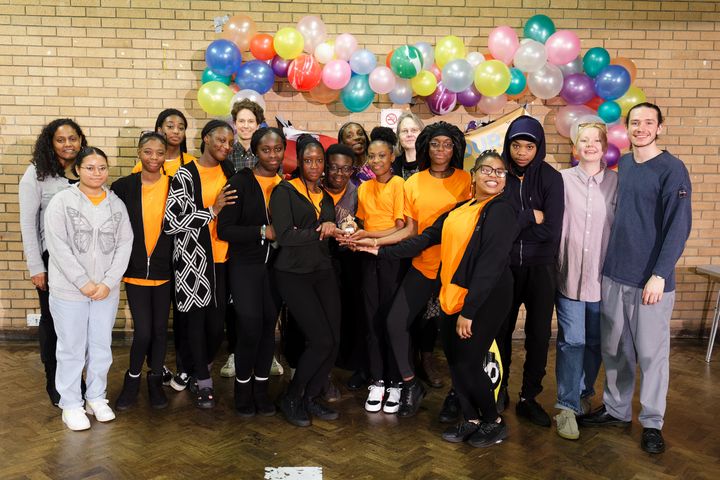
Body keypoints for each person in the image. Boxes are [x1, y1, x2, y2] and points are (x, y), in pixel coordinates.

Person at [359, 150, 518, 447]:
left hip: (485, 298)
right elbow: (425, 238)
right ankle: (470, 418)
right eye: (486, 170)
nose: (493, 176)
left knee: (470, 362)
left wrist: (470, 311)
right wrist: (380, 249)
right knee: (456, 361)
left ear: (505, 181)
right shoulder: (461, 209)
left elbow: (491, 264)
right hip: (452, 293)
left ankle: (492, 421)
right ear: (474, 176)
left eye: (499, 172)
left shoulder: (502, 210)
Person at [578, 103, 692, 455]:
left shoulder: (672, 170)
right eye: (635, 122)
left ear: (659, 128)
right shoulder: (624, 165)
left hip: (650, 283)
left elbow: (678, 226)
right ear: (626, 129)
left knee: (652, 354)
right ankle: (616, 410)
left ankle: (653, 422)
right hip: (615, 274)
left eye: (648, 123)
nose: (641, 128)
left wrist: (660, 274)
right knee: (616, 349)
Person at [345, 121, 471, 418]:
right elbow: (409, 230)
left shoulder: (467, 180)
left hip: (456, 268)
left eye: (447, 144)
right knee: (394, 321)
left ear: (455, 148)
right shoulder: (413, 182)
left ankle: (460, 396)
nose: (441, 149)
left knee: (457, 336)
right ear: (426, 147)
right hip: (422, 264)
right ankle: (410, 383)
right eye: (435, 144)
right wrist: (370, 238)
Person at [44, 147, 133, 431]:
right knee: (71, 348)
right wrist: (84, 282)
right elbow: (58, 247)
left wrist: (107, 282)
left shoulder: (115, 204)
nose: (97, 173)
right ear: (78, 170)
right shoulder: (61, 202)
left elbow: (124, 244)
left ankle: (96, 397)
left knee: (100, 346)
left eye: (102, 168)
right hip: (70, 290)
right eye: (91, 167)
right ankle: (71, 403)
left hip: (105, 292)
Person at [495, 115, 564, 427]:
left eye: (528, 146)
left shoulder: (551, 179)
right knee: (500, 332)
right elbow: (496, 229)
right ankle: (497, 390)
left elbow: (552, 230)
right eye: (516, 145)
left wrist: (514, 226)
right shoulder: (498, 176)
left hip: (541, 268)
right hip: (505, 268)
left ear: (539, 148)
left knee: (538, 335)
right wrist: (525, 218)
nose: (521, 152)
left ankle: (529, 397)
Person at [269, 134, 342, 427]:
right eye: (308, 160)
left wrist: (338, 229)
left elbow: (327, 233)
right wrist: (318, 230)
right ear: (299, 162)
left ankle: (311, 397)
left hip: (321, 270)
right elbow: (285, 235)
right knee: (321, 340)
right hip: (292, 274)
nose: (314, 165)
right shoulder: (284, 191)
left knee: (334, 340)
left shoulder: (324, 195)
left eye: (319, 160)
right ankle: (292, 396)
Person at [164, 120, 237, 409]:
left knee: (216, 326)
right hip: (193, 261)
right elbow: (172, 222)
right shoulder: (185, 173)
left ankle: (195, 367)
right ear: (206, 139)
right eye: (220, 140)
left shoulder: (229, 171)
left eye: (229, 143)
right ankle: (203, 380)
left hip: (224, 259)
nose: (225, 146)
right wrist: (212, 210)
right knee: (194, 321)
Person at [553, 123, 618, 440]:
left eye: (596, 140)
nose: (590, 145)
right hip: (570, 275)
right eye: (584, 140)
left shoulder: (618, 184)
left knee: (594, 343)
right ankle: (565, 407)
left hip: (604, 280)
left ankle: (581, 395)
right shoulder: (561, 181)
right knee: (572, 340)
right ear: (575, 146)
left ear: (605, 145)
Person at [217, 127, 285, 417]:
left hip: (276, 269)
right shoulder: (239, 182)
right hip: (245, 265)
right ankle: (242, 392)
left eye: (278, 149)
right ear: (255, 152)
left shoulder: (287, 185)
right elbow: (225, 229)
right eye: (266, 149)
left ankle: (261, 390)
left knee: (269, 328)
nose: (273, 154)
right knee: (249, 327)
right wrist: (261, 231)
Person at [19, 118, 86, 406]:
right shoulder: (36, 174)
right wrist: (37, 267)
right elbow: (27, 224)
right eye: (61, 140)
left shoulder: (88, 169)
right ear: (51, 142)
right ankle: (54, 379)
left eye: (73, 138)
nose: (68, 144)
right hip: (53, 261)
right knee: (54, 322)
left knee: (79, 324)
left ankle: (77, 379)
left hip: (85, 262)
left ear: (81, 140)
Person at [131, 108, 196, 389]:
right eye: (169, 125)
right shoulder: (137, 175)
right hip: (144, 261)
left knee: (173, 322)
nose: (175, 131)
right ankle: (145, 373)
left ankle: (174, 371)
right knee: (147, 327)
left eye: (181, 127)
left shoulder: (189, 166)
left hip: (180, 258)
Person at [112, 132, 175, 411]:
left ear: (165, 155)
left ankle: (155, 380)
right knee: (144, 332)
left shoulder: (175, 186)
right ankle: (132, 379)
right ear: (139, 152)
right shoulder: (122, 187)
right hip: (135, 271)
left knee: (161, 331)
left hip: (164, 271)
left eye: (159, 153)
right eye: (148, 152)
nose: (153, 158)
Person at [350, 127, 406, 414]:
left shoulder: (399, 185)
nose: (375, 161)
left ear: (392, 156)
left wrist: (371, 238)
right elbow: (361, 223)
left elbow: (399, 227)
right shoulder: (363, 187)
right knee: (371, 320)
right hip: (366, 258)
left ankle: (396, 382)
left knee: (391, 321)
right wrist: (351, 232)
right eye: (371, 156)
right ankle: (378, 379)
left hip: (391, 257)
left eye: (381, 156)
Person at [132, 108, 196, 176]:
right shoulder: (143, 165)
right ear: (160, 130)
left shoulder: (193, 163)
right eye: (170, 126)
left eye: (181, 128)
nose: (176, 131)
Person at [392, 112, 424, 180]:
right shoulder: (392, 166)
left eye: (414, 130)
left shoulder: (431, 163)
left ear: (422, 134)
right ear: (398, 136)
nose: (409, 134)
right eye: (404, 131)